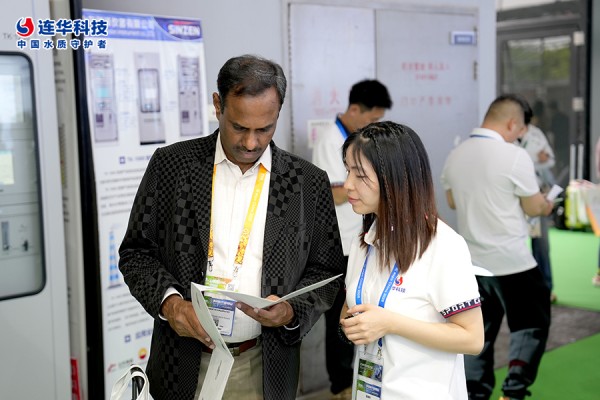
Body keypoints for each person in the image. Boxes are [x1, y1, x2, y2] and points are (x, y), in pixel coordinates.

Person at [118, 54, 345, 400]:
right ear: (218, 105)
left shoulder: (306, 183)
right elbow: (136, 253)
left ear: (278, 113)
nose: (251, 143)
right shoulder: (173, 166)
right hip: (182, 362)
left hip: (263, 365)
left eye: (264, 129)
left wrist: (290, 311)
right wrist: (171, 304)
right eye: (239, 127)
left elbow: (326, 271)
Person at [339, 121, 484, 399]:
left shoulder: (443, 246)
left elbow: (472, 339)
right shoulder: (364, 241)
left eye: (360, 175)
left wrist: (391, 323)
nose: (348, 184)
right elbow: (353, 308)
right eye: (348, 171)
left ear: (394, 179)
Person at [441, 94, 554, 400]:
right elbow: (533, 207)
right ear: (512, 124)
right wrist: (545, 204)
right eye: (521, 132)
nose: (520, 137)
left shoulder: (456, 154)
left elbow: (452, 201)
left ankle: (475, 392)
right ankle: (513, 391)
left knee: (479, 330)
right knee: (530, 326)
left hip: (472, 264)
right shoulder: (515, 156)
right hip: (512, 262)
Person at [312, 79, 392, 400]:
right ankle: (341, 386)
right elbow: (331, 193)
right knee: (339, 320)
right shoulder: (329, 141)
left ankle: (358, 383)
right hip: (339, 247)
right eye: (372, 118)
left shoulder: (358, 141)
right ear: (355, 109)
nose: (374, 125)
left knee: (360, 314)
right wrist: (368, 184)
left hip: (361, 243)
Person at [518, 108, 557, 302]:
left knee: (541, 244)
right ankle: (522, 290)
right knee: (515, 243)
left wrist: (543, 159)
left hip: (535, 192)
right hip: (513, 197)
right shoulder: (506, 137)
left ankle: (546, 288)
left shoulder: (536, 134)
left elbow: (550, 160)